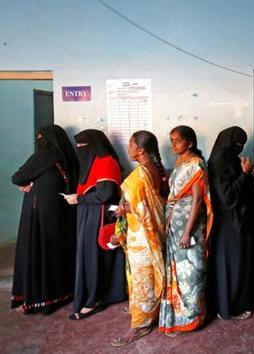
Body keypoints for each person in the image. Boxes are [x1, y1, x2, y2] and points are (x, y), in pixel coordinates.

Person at [10, 125, 79, 314]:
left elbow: (18, 177)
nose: (38, 139)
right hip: (63, 211)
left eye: (41, 136)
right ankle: (61, 293)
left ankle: (41, 298)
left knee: (39, 250)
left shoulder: (44, 155)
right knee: (56, 250)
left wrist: (23, 183)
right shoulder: (67, 156)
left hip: (40, 213)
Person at [110, 131, 168, 346]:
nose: (128, 147)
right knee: (149, 276)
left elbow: (140, 209)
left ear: (140, 149)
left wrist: (124, 209)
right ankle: (149, 311)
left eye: (130, 144)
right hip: (151, 232)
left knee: (142, 279)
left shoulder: (141, 174)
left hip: (142, 235)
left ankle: (140, 325)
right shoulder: (154, 169)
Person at [64, 129, 126, 320]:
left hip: (99, 216)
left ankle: (94, 299)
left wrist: (79, 199)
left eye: (83, 146)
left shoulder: (106, 162)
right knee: (88, 257)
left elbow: (105, 194)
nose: (80, 150)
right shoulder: (92, 163)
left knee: (94, 258)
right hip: (88, 214)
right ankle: (93, 296)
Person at [159, 126, 213, 336]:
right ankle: (177, 317)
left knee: (190, 272)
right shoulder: (180, 162)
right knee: (176, 272)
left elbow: (198, 200)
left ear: (190, 143)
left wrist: (187, 232)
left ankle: (193, 318)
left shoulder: (196, 164)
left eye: (178, 140)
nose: (173, 145)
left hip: (189, 229)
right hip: (175, 225)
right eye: (171, 140)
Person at [208, 126, 254, 320]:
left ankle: (235, 303)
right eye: (238, 144)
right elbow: (228, 197)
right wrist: (244, 174)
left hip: (237, 222)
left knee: (238, 264)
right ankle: (233, 306)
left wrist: (250, 175)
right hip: (229, 224)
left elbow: (238, 187)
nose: (240, 148)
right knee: (233, 266)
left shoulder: (229, 159)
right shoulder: (218, 162)